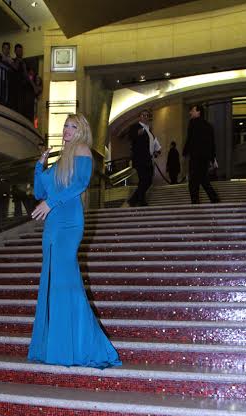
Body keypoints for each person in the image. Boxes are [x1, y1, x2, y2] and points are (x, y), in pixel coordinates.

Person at [28, 113, 121, 368]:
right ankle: (57, 346)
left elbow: (79, 184)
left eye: (72, 126)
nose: (67, 130)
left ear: (81, 130)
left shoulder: (82, 150)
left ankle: (81, 345)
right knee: (53, 281)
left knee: (65, 282)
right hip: (52, 224)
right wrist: (39, 165)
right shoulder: (60, 159)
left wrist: (51, 202)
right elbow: (39, 191)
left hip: (68, 222)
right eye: (65, 126)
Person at [183, 104, 219, 204]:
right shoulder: (209, 126)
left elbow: (190, 139)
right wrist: (212, 158)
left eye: (192, 110)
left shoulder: (192, 122)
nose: (190, 112)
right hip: (205, 158)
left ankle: (195, 202)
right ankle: (214, 199)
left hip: (195, 156)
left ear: (199, 112)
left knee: (193, 181)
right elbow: (212, 143)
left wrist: (185, 152)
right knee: (203, 179)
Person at [128, 109, 161, 206]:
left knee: (149, 180)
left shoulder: (149, 131)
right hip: (140, 159)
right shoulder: (135, 127)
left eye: (147, 115)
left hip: (148, 159)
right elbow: (131, 137)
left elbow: (152, 144)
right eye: (143, 115)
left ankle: (133, 199)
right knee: (144, 180)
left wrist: (156, 151)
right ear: (139, 117)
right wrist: (137, 133)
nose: (145, 117)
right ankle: (141, 200)